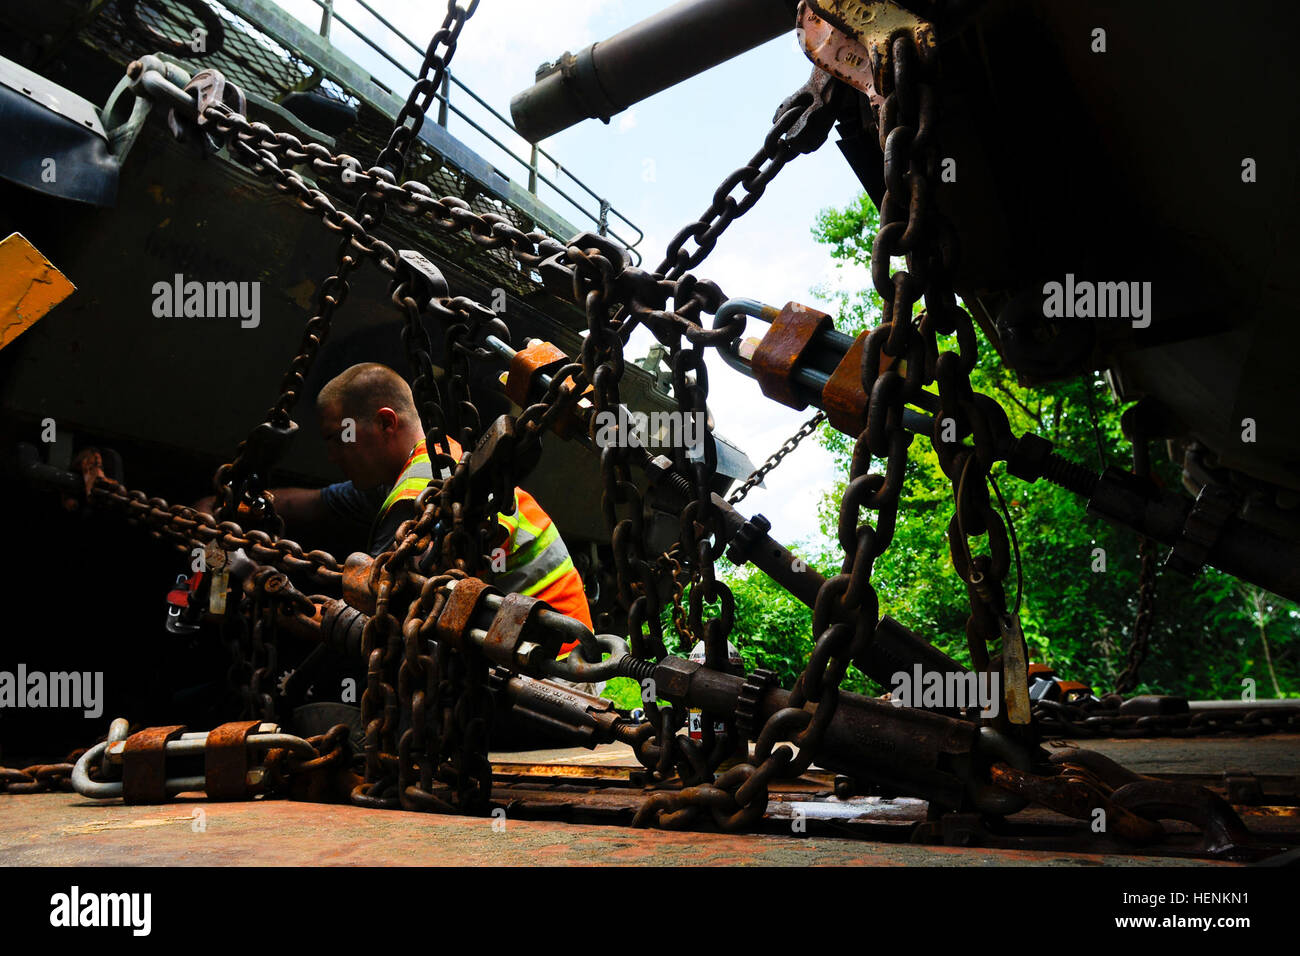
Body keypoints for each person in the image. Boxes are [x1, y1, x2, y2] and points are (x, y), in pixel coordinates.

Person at [197, 362, 593, 631]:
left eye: (340, 437)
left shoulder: (419, 494)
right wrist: (231, 504)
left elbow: (369, 624)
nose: (332, 455)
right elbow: (315, 503)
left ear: (386, 422)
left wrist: (247, 572)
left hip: (552, 679)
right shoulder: (418, 470)